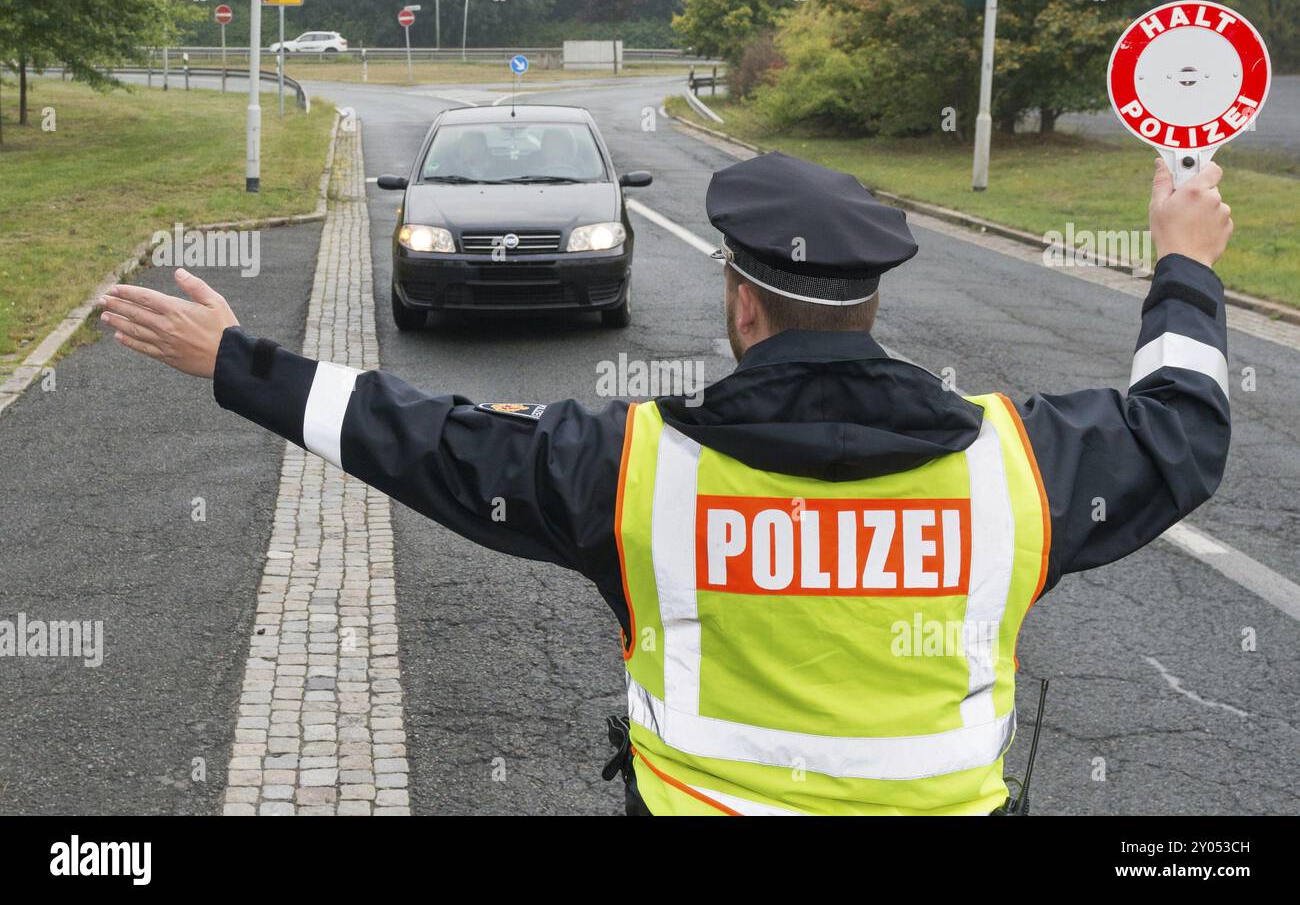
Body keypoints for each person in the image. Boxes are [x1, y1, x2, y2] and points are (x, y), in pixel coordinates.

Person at [98, 151, 1233, 816]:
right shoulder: (1020, 465)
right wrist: (1181, 258)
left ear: (741, 303)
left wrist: (240, 363)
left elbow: (427, 439)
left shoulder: (631, 465)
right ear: (873, 303)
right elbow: (1183, 428)